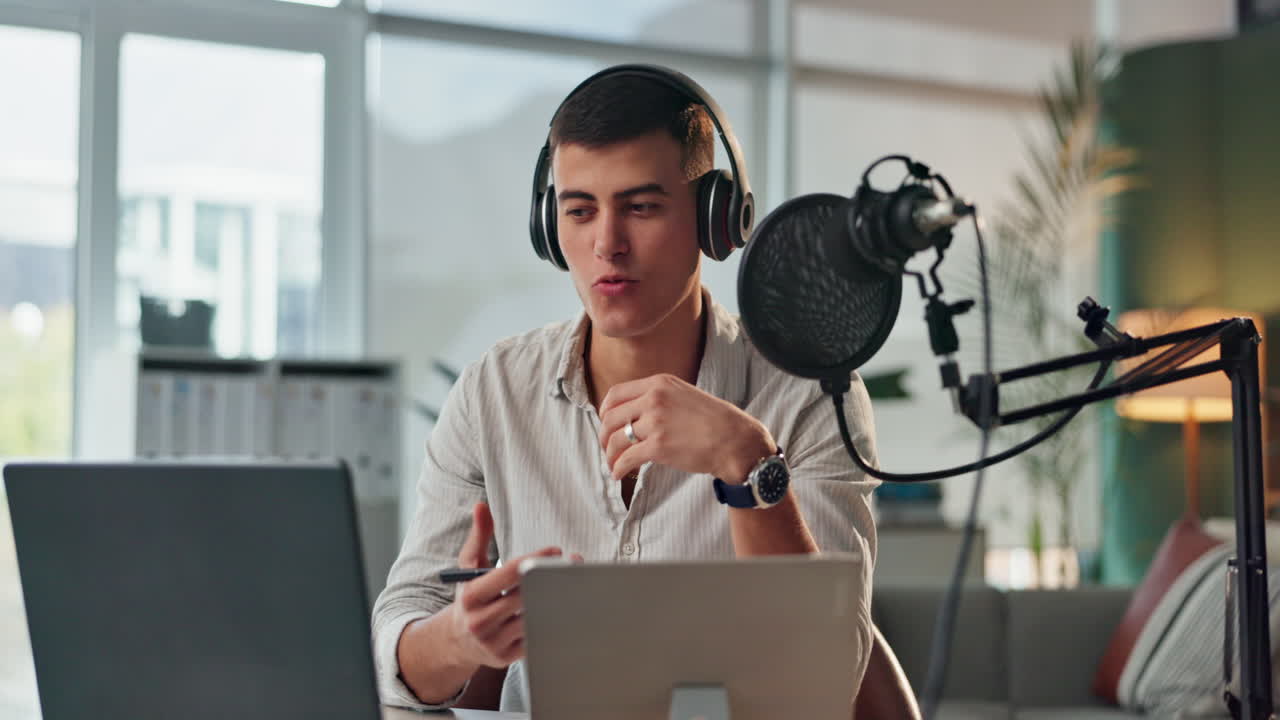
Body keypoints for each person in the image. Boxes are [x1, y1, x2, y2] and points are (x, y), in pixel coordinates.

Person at [371, 65, 882, 714]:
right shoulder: (492, 392)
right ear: (548, 226)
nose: (606, 245)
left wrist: (749, 465)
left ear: (715, 218)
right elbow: (398, 654)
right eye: (579, 210)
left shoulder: (807, 394)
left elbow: (828, 681)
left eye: (640, 207)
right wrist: (458, 639)